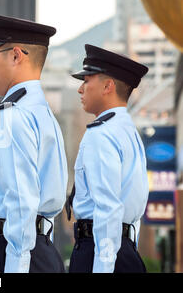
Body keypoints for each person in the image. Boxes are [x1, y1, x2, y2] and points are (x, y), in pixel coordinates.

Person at [0, 13, 68, 273]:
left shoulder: (14, 116)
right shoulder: (42, 112)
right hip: (37, 249)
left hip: (13, 252)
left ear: (16, 55)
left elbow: (21, 202)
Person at [67, 44, 149, 273]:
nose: (80, 89)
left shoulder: (101, 134)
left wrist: (103, 266)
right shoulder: (129, 131)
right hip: (124, 250)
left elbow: (108, 208)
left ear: (107, 86)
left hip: (98, 252)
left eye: (86, 80)